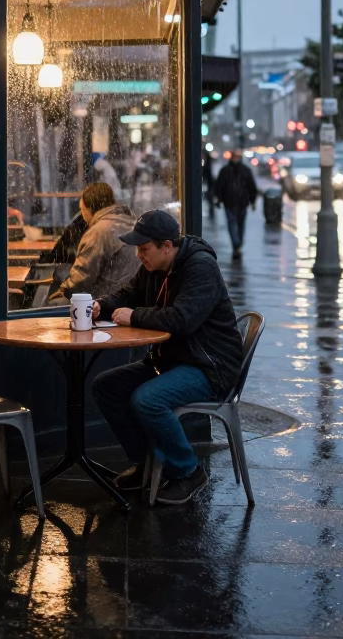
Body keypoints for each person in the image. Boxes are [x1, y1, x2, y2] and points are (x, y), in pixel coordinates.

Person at [90, 210, 244, 506]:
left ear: (167, 246)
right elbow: (128, 295)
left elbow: (183, 319)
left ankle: (189, 472)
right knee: (106, 386)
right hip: (173, 360)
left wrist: (135, 316)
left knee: (148, 400)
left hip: (210, 367)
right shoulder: (154, 266)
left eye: (144, 248)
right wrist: (101, 306)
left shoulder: (200, 267)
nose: (139, 255)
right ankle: (145, 463)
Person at [46, 182, 139, 305]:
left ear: (89, 209)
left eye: (82, 209)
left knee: (54, 302)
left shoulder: (98, 231)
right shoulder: (130, 221)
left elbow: (82, 276)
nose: (82, 214)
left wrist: (62, 291)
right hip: (132, 294)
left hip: (108, 298)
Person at [214, 149, 258, 258]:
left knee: (238, 224)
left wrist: (252, 201)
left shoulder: (241, 170)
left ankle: (237, 245)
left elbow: (251, 187)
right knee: (233, 223)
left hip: (240, 202)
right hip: (231, 202)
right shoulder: (228, 170)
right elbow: (219, 186)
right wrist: (218, 199)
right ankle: (237, 244)